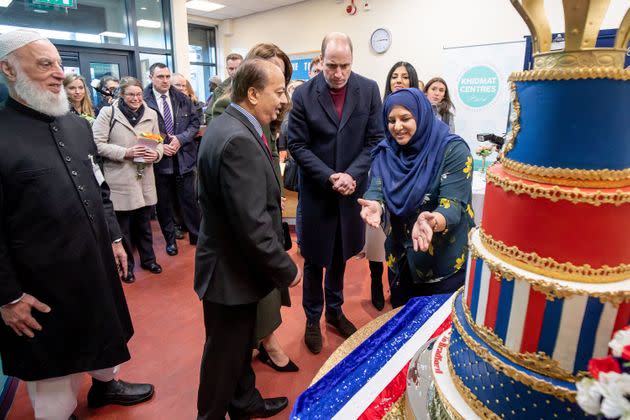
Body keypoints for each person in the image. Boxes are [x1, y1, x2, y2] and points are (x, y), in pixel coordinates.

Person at [0, 29, 153, 420]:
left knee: (106, 330)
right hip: (41, 282)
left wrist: (116, 240)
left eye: (58, 63)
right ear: (8, 69)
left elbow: (100, 190)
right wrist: (8, 297)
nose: (59, 73)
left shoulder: (77, 126)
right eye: (45, 64)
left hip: (95, 261)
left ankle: (106, 386)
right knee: (54, 373)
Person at [195, 58, 301, 420]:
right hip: (230, 272)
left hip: (231, 266)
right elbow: (252, 225)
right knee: (223, 357)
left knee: (238, 348)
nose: (284, 99)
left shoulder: (229, 124)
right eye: (278, 91)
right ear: (253, 94)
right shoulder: (239, 139)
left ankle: (244, 403)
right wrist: (286, 269)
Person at [288, 32, 384, 354]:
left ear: (352, 61)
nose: (338, 73)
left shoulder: (368, 90)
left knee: (341, 257)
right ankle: (313, 318)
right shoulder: (302, 95)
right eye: (331, 66)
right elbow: (297, 146)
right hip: (317, 193)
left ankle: (335, 311)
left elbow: (374, 140)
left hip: (350, 193)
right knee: (315, 260)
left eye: (344, 66)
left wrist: (351, 175)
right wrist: (331, 177)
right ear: (321, 60)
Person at [359, 88, 474, 308]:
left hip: (441, 262)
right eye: (391, 120)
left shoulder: (452, 150)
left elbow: (453, 205)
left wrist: (433, 220)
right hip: (400, 259)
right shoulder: (386, 151)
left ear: (421, 116)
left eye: (405, 118)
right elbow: (377, 187)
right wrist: (375, 204)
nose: (397, 127)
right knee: (402, 321)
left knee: (438, 332)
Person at [92, 76, 164, 283]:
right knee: (123, 228)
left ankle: (148, 260)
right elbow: (97, 144)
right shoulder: (109, 113)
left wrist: (157, 154)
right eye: (131, 94)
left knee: (144, 224)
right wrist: (126, 152)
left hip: (144, 176)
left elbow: (158, 141)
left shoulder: (150, 113)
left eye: (139, 94)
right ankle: (127, 267)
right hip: (120, 177)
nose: (136, 98)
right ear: (121, 95)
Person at [364, 61, 423, 311]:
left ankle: (398, 283)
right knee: (376, 240)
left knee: (401, 241)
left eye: (404, 76)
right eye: (394, 76)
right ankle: (376, 282)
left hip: (408, 182)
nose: (398, 80)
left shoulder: (420, 109)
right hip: (381, 172)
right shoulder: (379, 107)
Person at [143, 63, 201, 256]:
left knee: (190, 200)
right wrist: (160, 147)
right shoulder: (143, 100)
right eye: (160, 77)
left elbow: (194, 124)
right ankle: (170, 240)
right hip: (160, 162)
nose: (165, 80)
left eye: (167, 76)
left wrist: (181, 139)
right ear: (151, 77)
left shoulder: (182, 98)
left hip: (183, 158)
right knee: (164, 204)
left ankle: (197, 236)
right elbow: (141, 131)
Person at [205, 52, 242, 123]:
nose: (234, 72)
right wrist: (219, 129)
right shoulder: (219, 90)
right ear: (227, 69)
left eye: (237, 68)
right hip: (225, 130)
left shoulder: (252, 86)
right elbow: (209, 115)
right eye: (231, 69)